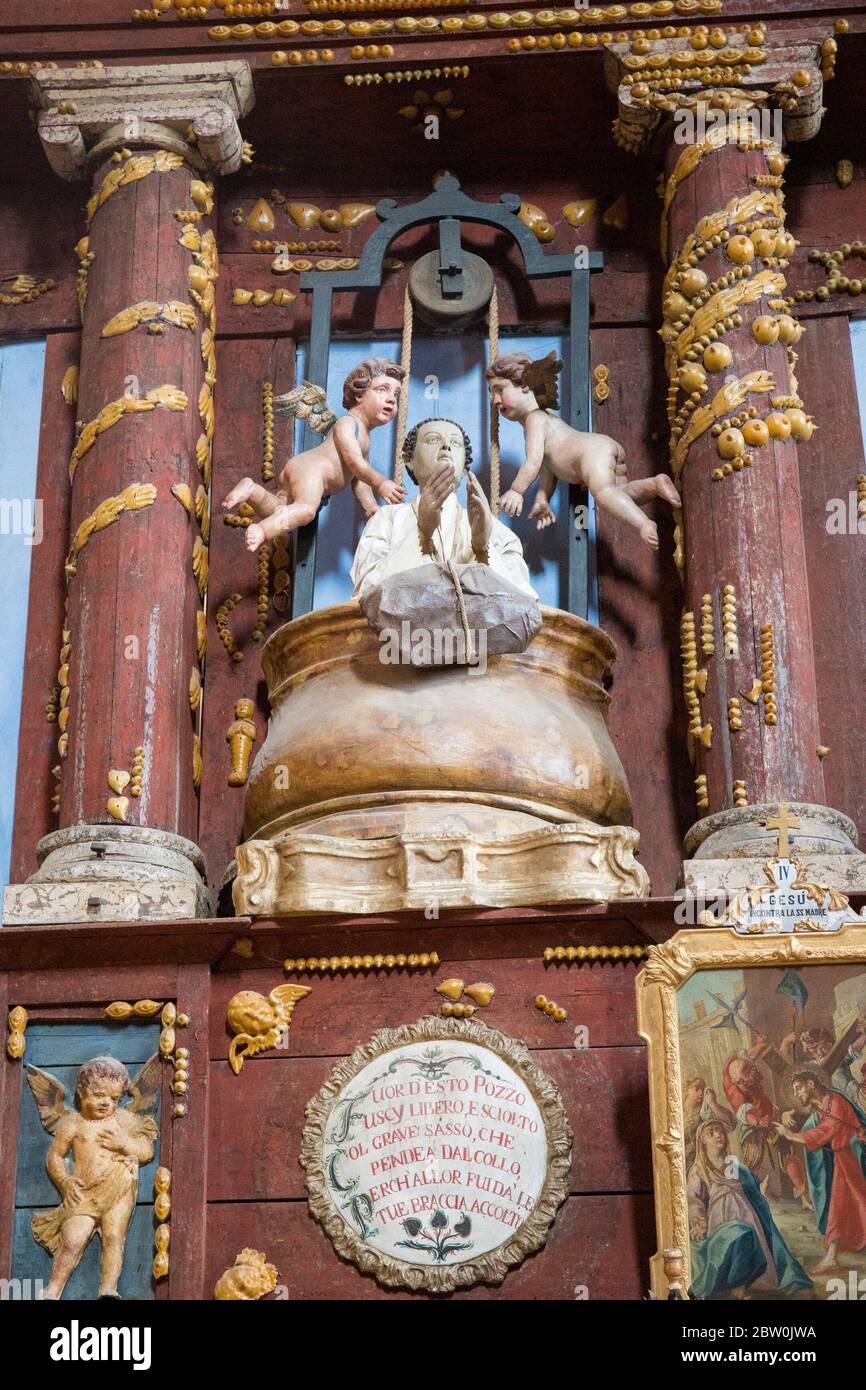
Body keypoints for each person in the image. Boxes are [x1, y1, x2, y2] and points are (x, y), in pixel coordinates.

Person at [485, 351, 680, 548]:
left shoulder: (535, 419)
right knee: (617, 495)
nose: (495, 400)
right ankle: (654, 485)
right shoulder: (543, 419)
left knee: (604, 493)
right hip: (600, 448)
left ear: (525, 385)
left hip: (591, 454)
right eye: (491, 393)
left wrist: (517, 491)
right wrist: (543, 498)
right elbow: (547, 466)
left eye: (499, 390)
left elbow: (533, 462)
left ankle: (644, 524)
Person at [224, 357, 407, 552]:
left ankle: (252, 490)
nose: (391, 399)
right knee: (306, 510)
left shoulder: (364, 437)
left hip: (308, 473)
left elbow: (358, 479)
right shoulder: (347, 424)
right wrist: (381, 483)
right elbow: (354, 463)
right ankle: (262, 531)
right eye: (382, 390)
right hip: (312, 470)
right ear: (359, 394)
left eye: (395, 395)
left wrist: (370, 505)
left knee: (280, 510)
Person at [350, 416, 537, 601]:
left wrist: (481, 547)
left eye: (455, 442)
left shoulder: (492, 528)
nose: (446, 446)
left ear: (464, 466)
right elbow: (368, 591)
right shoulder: (387, 519)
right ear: (409, 460)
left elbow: (522, 601)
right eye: (432, 439)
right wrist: (422, 533)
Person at [26, 1055, 160, 1300]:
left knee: (113, 1237)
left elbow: (146, 1150)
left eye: (114, 1098)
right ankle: (53, 1289)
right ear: (80, 1091)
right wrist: (65, 1183)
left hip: (119, 1189)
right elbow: (54, 1156)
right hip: (83, 1192)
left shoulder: (125, 1121)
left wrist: (125, 1143)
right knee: (73, 1240)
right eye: (98, 1095)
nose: (106, 1103)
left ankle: (108, 1289)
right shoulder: (72, 1124)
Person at [687, 1118, 812, 1299]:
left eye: (720, 1131)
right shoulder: (699, 1169)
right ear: (702, 1141)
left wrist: (760, 1190)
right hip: (721, 1219)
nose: (718, 1135)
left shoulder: (733, 1164)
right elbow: (694, 1200)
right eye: (711, 1132)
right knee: (733, 1243)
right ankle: (734, 1284)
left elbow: (750, 1187)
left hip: (747, 1215)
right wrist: (700, 1223)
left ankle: (742, 1286)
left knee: (749, 1242)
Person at [775, 1070, 866, 1274]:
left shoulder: (835, 1101)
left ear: (811, 1083)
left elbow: (826, 1131)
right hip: (843, 1161)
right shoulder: (822, 1107)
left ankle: (831, 1257)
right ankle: (832, 1256)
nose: (797, 1094)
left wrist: (790, 1134)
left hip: (853, 1159)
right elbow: (812, 1125)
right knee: (843, 1205)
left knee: (852, 1204)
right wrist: (786, 1115)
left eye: (798, 1088)